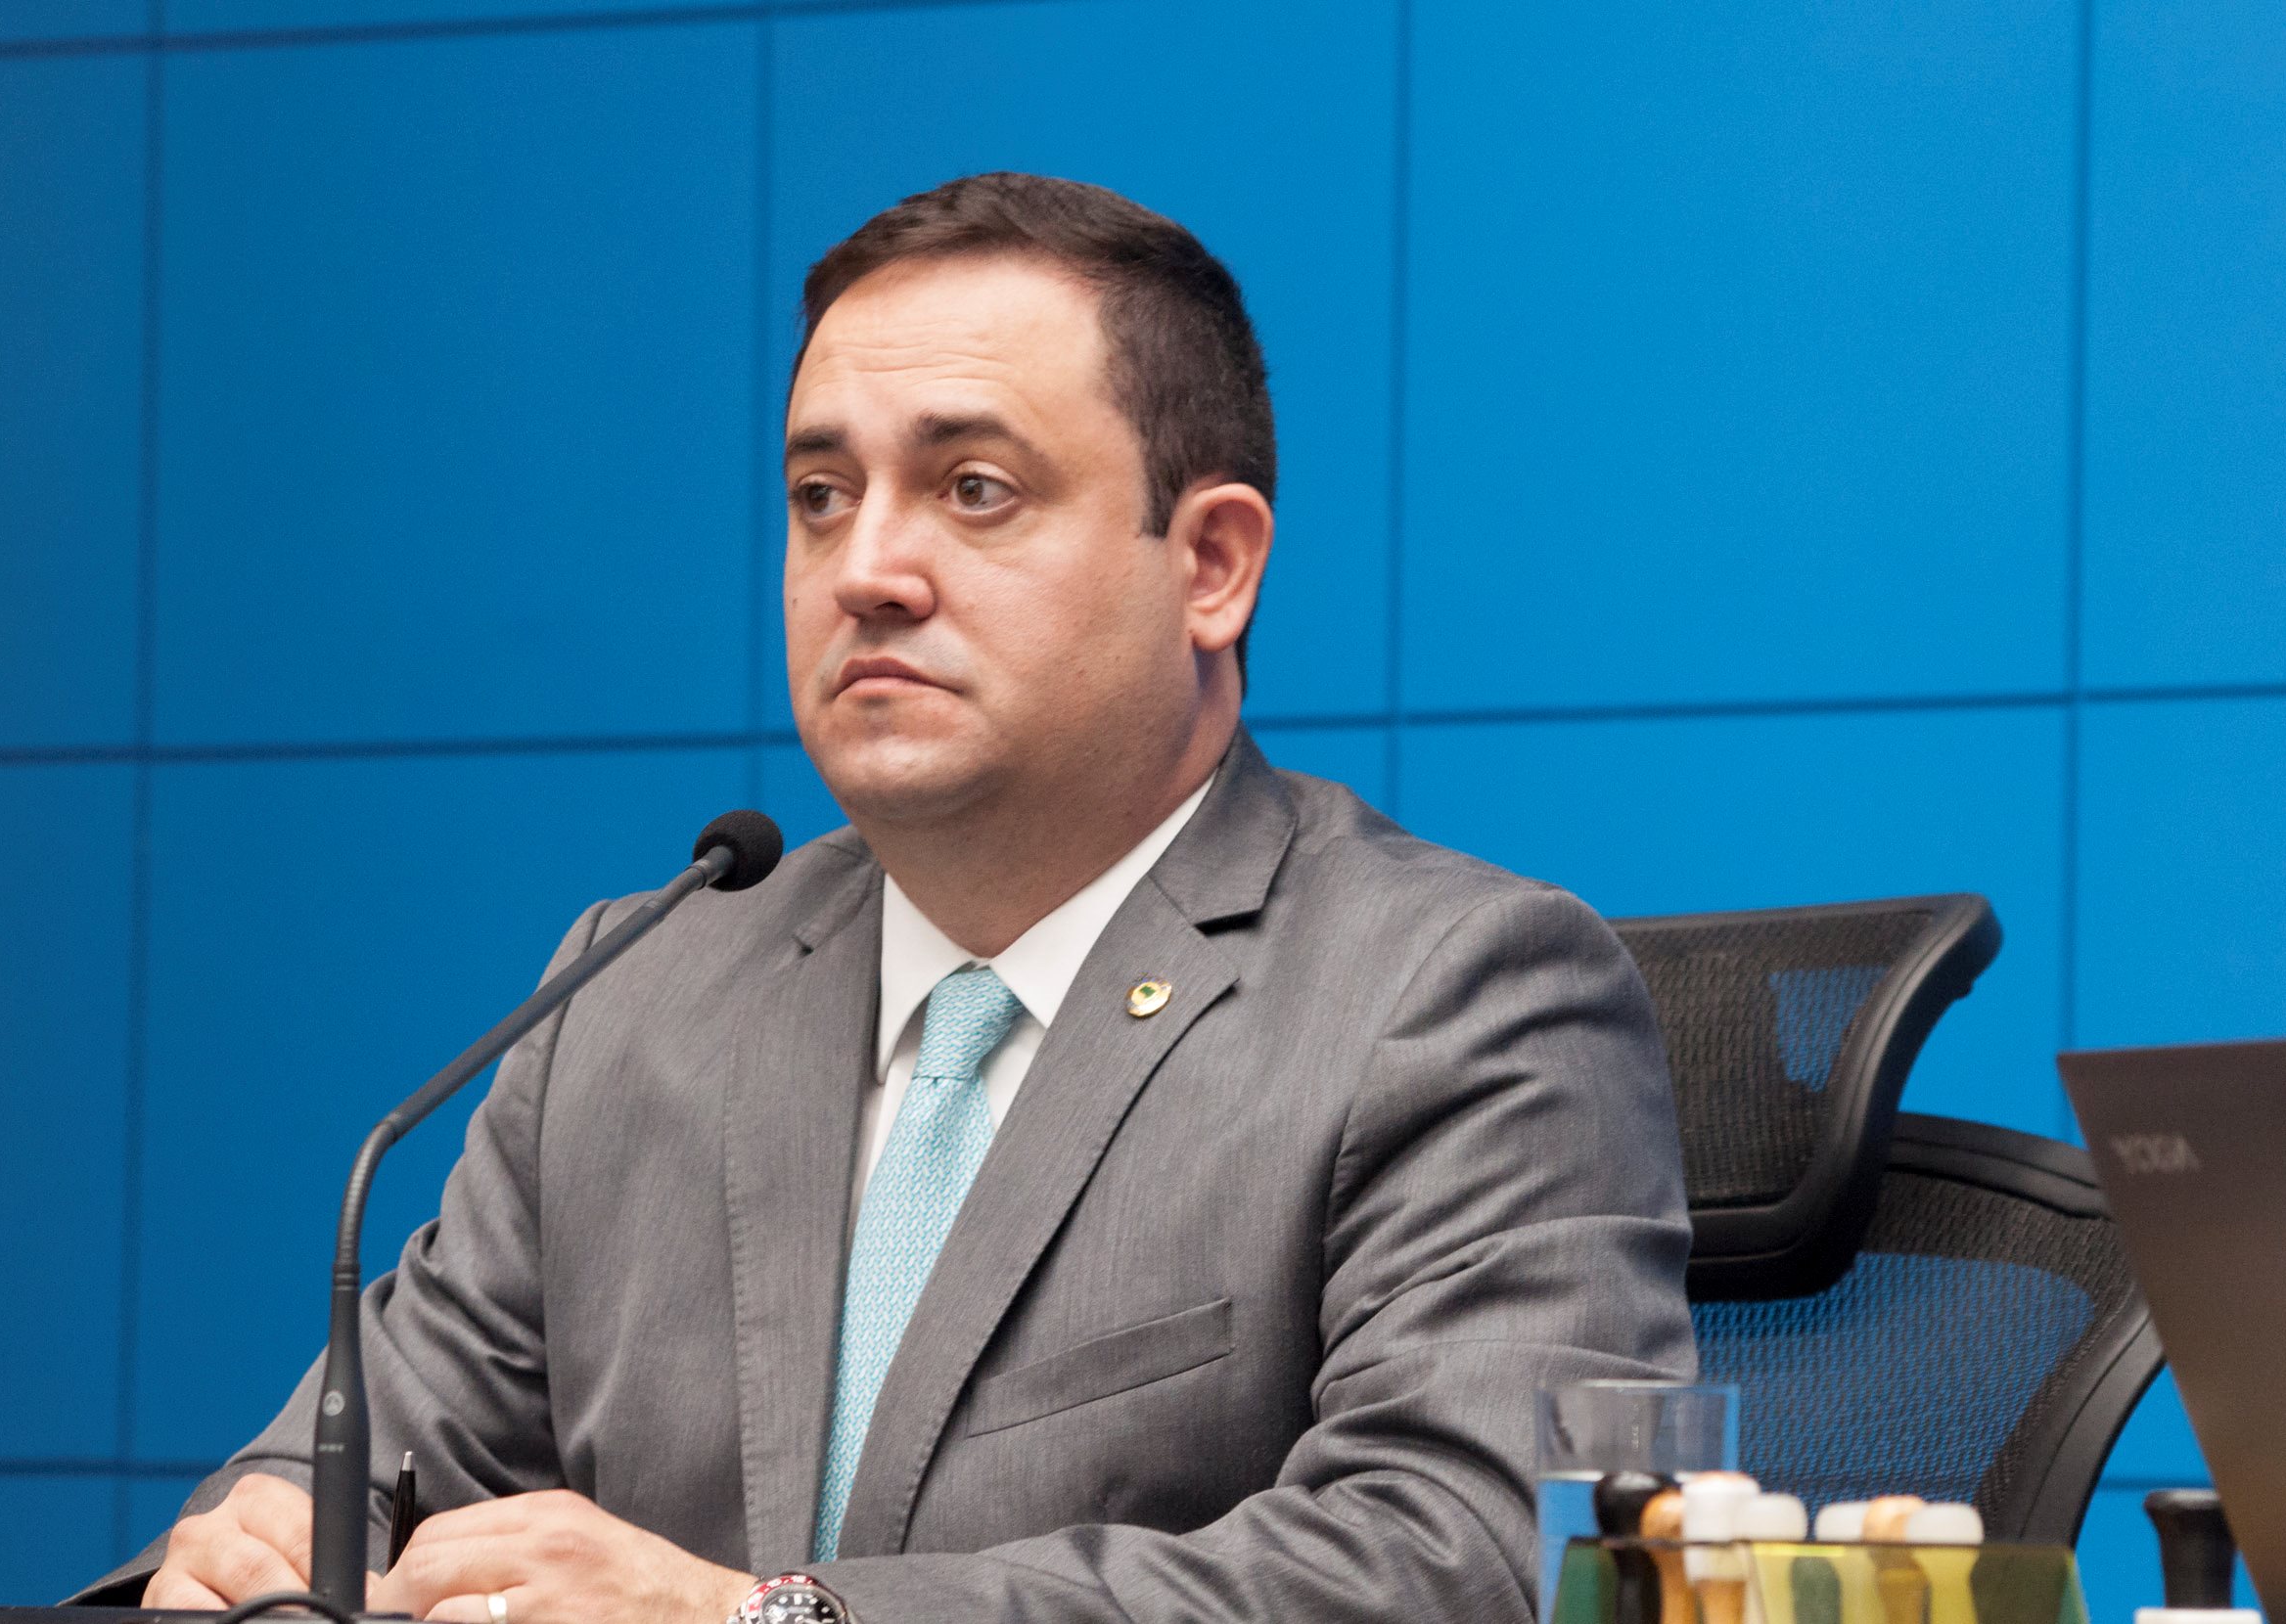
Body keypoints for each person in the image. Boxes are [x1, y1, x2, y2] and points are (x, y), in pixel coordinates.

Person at [92, 172, 1694, 1624]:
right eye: (820, 496)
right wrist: (260, 1553)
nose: (867, 569)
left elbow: (1468, 1558)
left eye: (974, 488)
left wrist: (761, 1622)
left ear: (1210, 565)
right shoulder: (637, 995)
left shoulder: (1452, 996)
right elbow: (362, 1467)